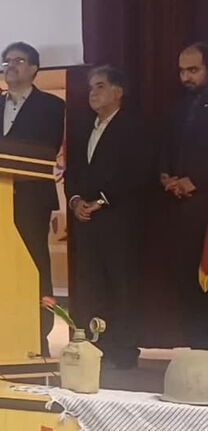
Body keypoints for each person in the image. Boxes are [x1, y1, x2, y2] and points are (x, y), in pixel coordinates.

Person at [66, 67, 151, 368]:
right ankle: (93, 345)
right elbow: (72, 172)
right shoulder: (83, 128)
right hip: (86, 221)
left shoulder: (134, 127)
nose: (93, 93)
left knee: (120, 285)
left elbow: (138, 171)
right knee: (91, 285)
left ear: (118, 91)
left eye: (100, 86)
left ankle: (123, 350)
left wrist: (101, 200)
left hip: (119, 220)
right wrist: (76, 201)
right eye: (91, 87)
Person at [0, 42, 65, 354]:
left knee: (33, 263)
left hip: (31, 197)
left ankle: (39, 332)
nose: (11, 66)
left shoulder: (52, 106)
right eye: (6, 62)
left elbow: (47, 147)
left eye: (18, 61)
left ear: (34, 68)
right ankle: (1, 328)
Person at [160, 42, 208, 348]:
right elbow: (166, 147)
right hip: (182, 209)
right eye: (181, 71)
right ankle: (197, 351)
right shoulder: (179, 107)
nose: (186, 77)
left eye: (193, 70)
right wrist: (166, 176)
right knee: (187, 282)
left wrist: (197, 180)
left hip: (204, 205)